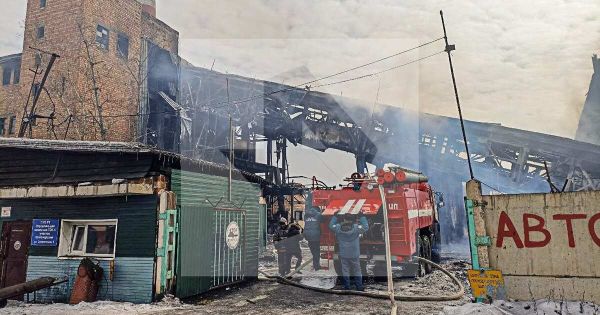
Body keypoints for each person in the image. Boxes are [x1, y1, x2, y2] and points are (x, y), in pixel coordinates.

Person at [329, 213, 369, 291]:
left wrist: (335, 217)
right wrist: (362, 217)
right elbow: (366, 227)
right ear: (353, 220)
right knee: (357, 270)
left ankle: (347, 286)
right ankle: (359, 286)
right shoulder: (356, 228)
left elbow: (331, 226)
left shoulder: (338, 227)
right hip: (354, 253)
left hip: (344, 253)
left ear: (344, 219)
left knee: (345, 270)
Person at [303, 206, 323, 270]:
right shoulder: (318, 214)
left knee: (313, 250)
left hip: (307, 235)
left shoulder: (306, 215)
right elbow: (323, 220)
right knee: (317, 251)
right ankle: (316, 266)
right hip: (315, 235)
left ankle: (315, 263)